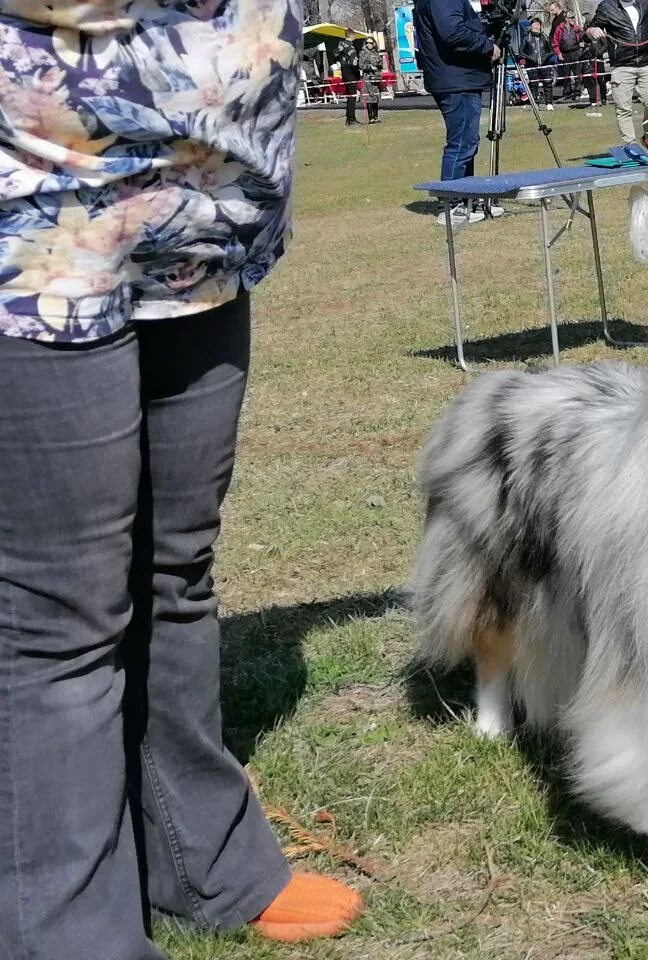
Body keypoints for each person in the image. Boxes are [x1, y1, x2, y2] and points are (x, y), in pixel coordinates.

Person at [0, 3, 365, 956]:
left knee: (177, 568)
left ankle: (200, 859)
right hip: (35, 210)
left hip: (202, 219)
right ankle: (68, 934)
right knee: (58, 618)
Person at [414, 0, 506, 226]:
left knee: (467, 142)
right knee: (461, 142)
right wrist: (487, 46)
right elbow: (453, 33)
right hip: (456, 79)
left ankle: (466, 199)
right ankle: (451, 204)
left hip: (457, 77)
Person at [586, 0, 648, 150]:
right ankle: (631, 146)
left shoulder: (646, 3)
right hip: (622, 65)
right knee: (623, 108)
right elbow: (590, 30)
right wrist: (592, 31)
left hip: (646, 63)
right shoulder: (607, 6)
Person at [551, 6, 586, 99]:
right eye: (571, 18)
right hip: (565, 54)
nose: (573, 19)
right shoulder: (559, 28)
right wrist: (558, 53)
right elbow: (555, 43)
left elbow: (583, 38)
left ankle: (577, 92)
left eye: (574, 18)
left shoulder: (576, 28)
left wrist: (581, 49)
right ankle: (567, 92)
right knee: (566, 75)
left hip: (575, 53)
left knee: (577, 74)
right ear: (566, 19)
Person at [521, 17, 555, 108]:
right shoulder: (526, 38)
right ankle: (534, 103)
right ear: (531, 26)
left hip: (545, 64)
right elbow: (521, 52)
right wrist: (530, 58)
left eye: (537, 25)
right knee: (533, 84)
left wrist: (546, 57)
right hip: (532, 65)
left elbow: (551, 50)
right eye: (534, 25)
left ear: (540, 26)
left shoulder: (544, 37)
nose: (536, 27)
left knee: (548, 83)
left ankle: (549, 103)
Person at [336, 27, 364, 126]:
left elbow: (336, 55)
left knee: (349, 96)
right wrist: (358, 72)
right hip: (351, 73)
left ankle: (349, 118)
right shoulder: (350, 47)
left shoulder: (341, 45)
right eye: (354, 35)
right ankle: (351, 118)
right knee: (352, 97)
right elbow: (354, 62)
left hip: (344, 72)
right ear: (351, 35)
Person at [358, 39, 385, 123]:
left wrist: (379, 65)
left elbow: (380, 64)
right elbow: (360, 65)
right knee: (369, 97)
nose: (369, 44)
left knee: (376, 97)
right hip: (367, 78)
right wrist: (370, 67)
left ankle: (376, 116)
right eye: (367, 43)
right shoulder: (363, 53)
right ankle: (371, 117)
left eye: (371, 43)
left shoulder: (375, 53)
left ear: (374, 44)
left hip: (376, 77)